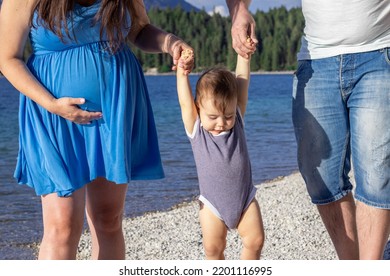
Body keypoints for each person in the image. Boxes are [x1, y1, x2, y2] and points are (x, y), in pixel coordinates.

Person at [0, 0, 193, 260]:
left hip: (113, 115)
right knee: (62, 226)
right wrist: (52, 105)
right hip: (53, 116)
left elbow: (138, 30)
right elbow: (7, 58)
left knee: (108, 218)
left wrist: (170, 43)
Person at [227, 0, 390, 260]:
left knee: (377, 173)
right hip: (316, 60)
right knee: (320, 177)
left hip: (380, 51)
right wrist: (239, 11)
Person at [176, 48, 265, 260]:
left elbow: (241, 83)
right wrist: (181, 73)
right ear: (199, 108)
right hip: (212, 204)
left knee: (255, 241)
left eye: (228, 115)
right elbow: (184, 102)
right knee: (213, 249)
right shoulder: (197, 130)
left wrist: (244, 57)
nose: (221, 122)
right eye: (213, 116)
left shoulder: (238, 123)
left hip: (244, 198)